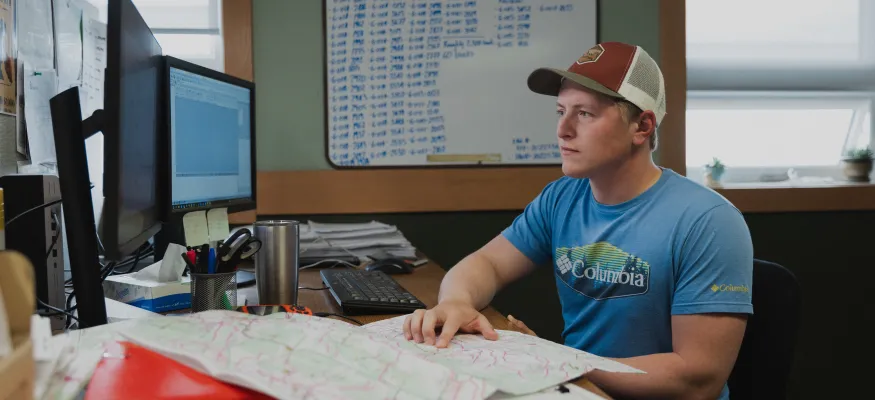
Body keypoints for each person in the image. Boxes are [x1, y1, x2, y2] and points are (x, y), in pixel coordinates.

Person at [402, 42, 753, 400]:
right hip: (576, 388)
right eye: (560, 111)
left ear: (642, 126)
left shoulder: (708, 221)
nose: (563, 130)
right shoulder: (562, 197)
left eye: (584, 113)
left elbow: (697, 379)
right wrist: (456, 301)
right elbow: (488, 263)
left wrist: (559, 360)